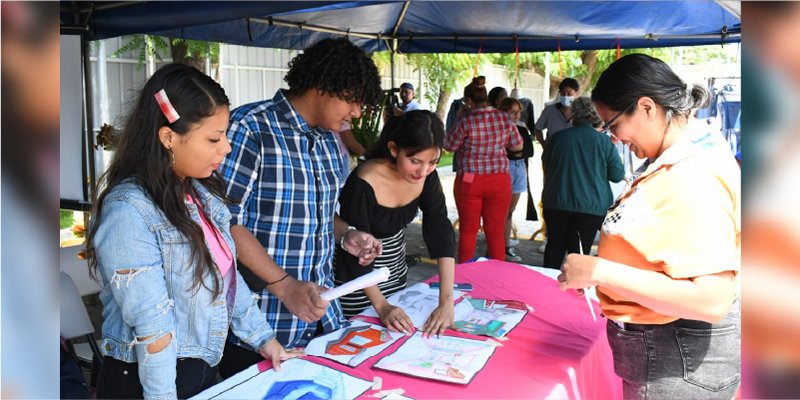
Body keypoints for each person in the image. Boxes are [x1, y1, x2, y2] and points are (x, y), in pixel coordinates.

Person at [84, 64, 304, 399]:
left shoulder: (200, 194)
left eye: (225, 135)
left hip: (197, 368)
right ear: (168, 137)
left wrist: (265, 340)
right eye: (214, 138)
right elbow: (152, 328)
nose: (226, 148)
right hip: (148, 381)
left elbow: (228, 279)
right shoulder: (128, 210)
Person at [559, 54, 741, 399]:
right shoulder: (683, 153)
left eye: (612, 125)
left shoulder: (691, 172)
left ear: (646, 107)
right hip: (671, 354)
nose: (613, 138)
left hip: (677, 362)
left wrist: (601, 271)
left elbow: (712, 299)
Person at [218, 38, 384, 378]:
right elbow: (223, 224)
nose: (356, 113)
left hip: (324, 323)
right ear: (324, 87)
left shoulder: (328, 141)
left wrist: (347, 234)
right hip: (260, 330)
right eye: (352, 100)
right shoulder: (249, 128)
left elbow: (318, 215)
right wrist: (284, 285)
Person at [334, 110, 456, 336]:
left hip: (394, 274)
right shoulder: (364, 181)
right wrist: (381, 305)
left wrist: (446, 301)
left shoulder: (427, 175)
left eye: (433, 162)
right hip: (359, 285)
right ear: (393, 149)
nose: (423, 171)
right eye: (414, 161)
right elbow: (353, 253)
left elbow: (440, 231)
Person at [445, 76, 523, 262]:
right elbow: (517, 145)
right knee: (495, 230)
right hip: (499, 180)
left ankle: (465, 273)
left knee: (468, 230)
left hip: (470, 180)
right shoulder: (504, 117)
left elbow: (450, 146)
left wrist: (459, 119)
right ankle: (496, 272)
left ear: (469, 101)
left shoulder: (465, 120)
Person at [540, 97, 624, 268]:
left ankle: (545, 288)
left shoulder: (557, 138)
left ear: (574, 114)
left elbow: (547, 165)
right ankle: (574, 292)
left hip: (556, 202)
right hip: (591, 208)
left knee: (554, 248)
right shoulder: (604, 143)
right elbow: (617, 175)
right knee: (579, 253)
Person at [497, 97, 535, 262]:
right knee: (501, 211)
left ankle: (504, 246)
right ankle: (500, 246)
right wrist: (516, 150)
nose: (516, 115)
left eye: (518, 111)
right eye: (512, 111)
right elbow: (511, 151)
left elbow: (528, 151)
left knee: (509, 211)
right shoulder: (498, 128)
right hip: (505, 167)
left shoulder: (521, 128)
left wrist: (515, 150)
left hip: (519, 168)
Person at [533, 77, 580, 145]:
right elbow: (537, 129)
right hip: (553, 152)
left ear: (577, 93)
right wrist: (544, 145)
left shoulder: (583, 113)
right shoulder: (549, 111)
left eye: (569, 94)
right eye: (563, 94)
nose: (566, 97)